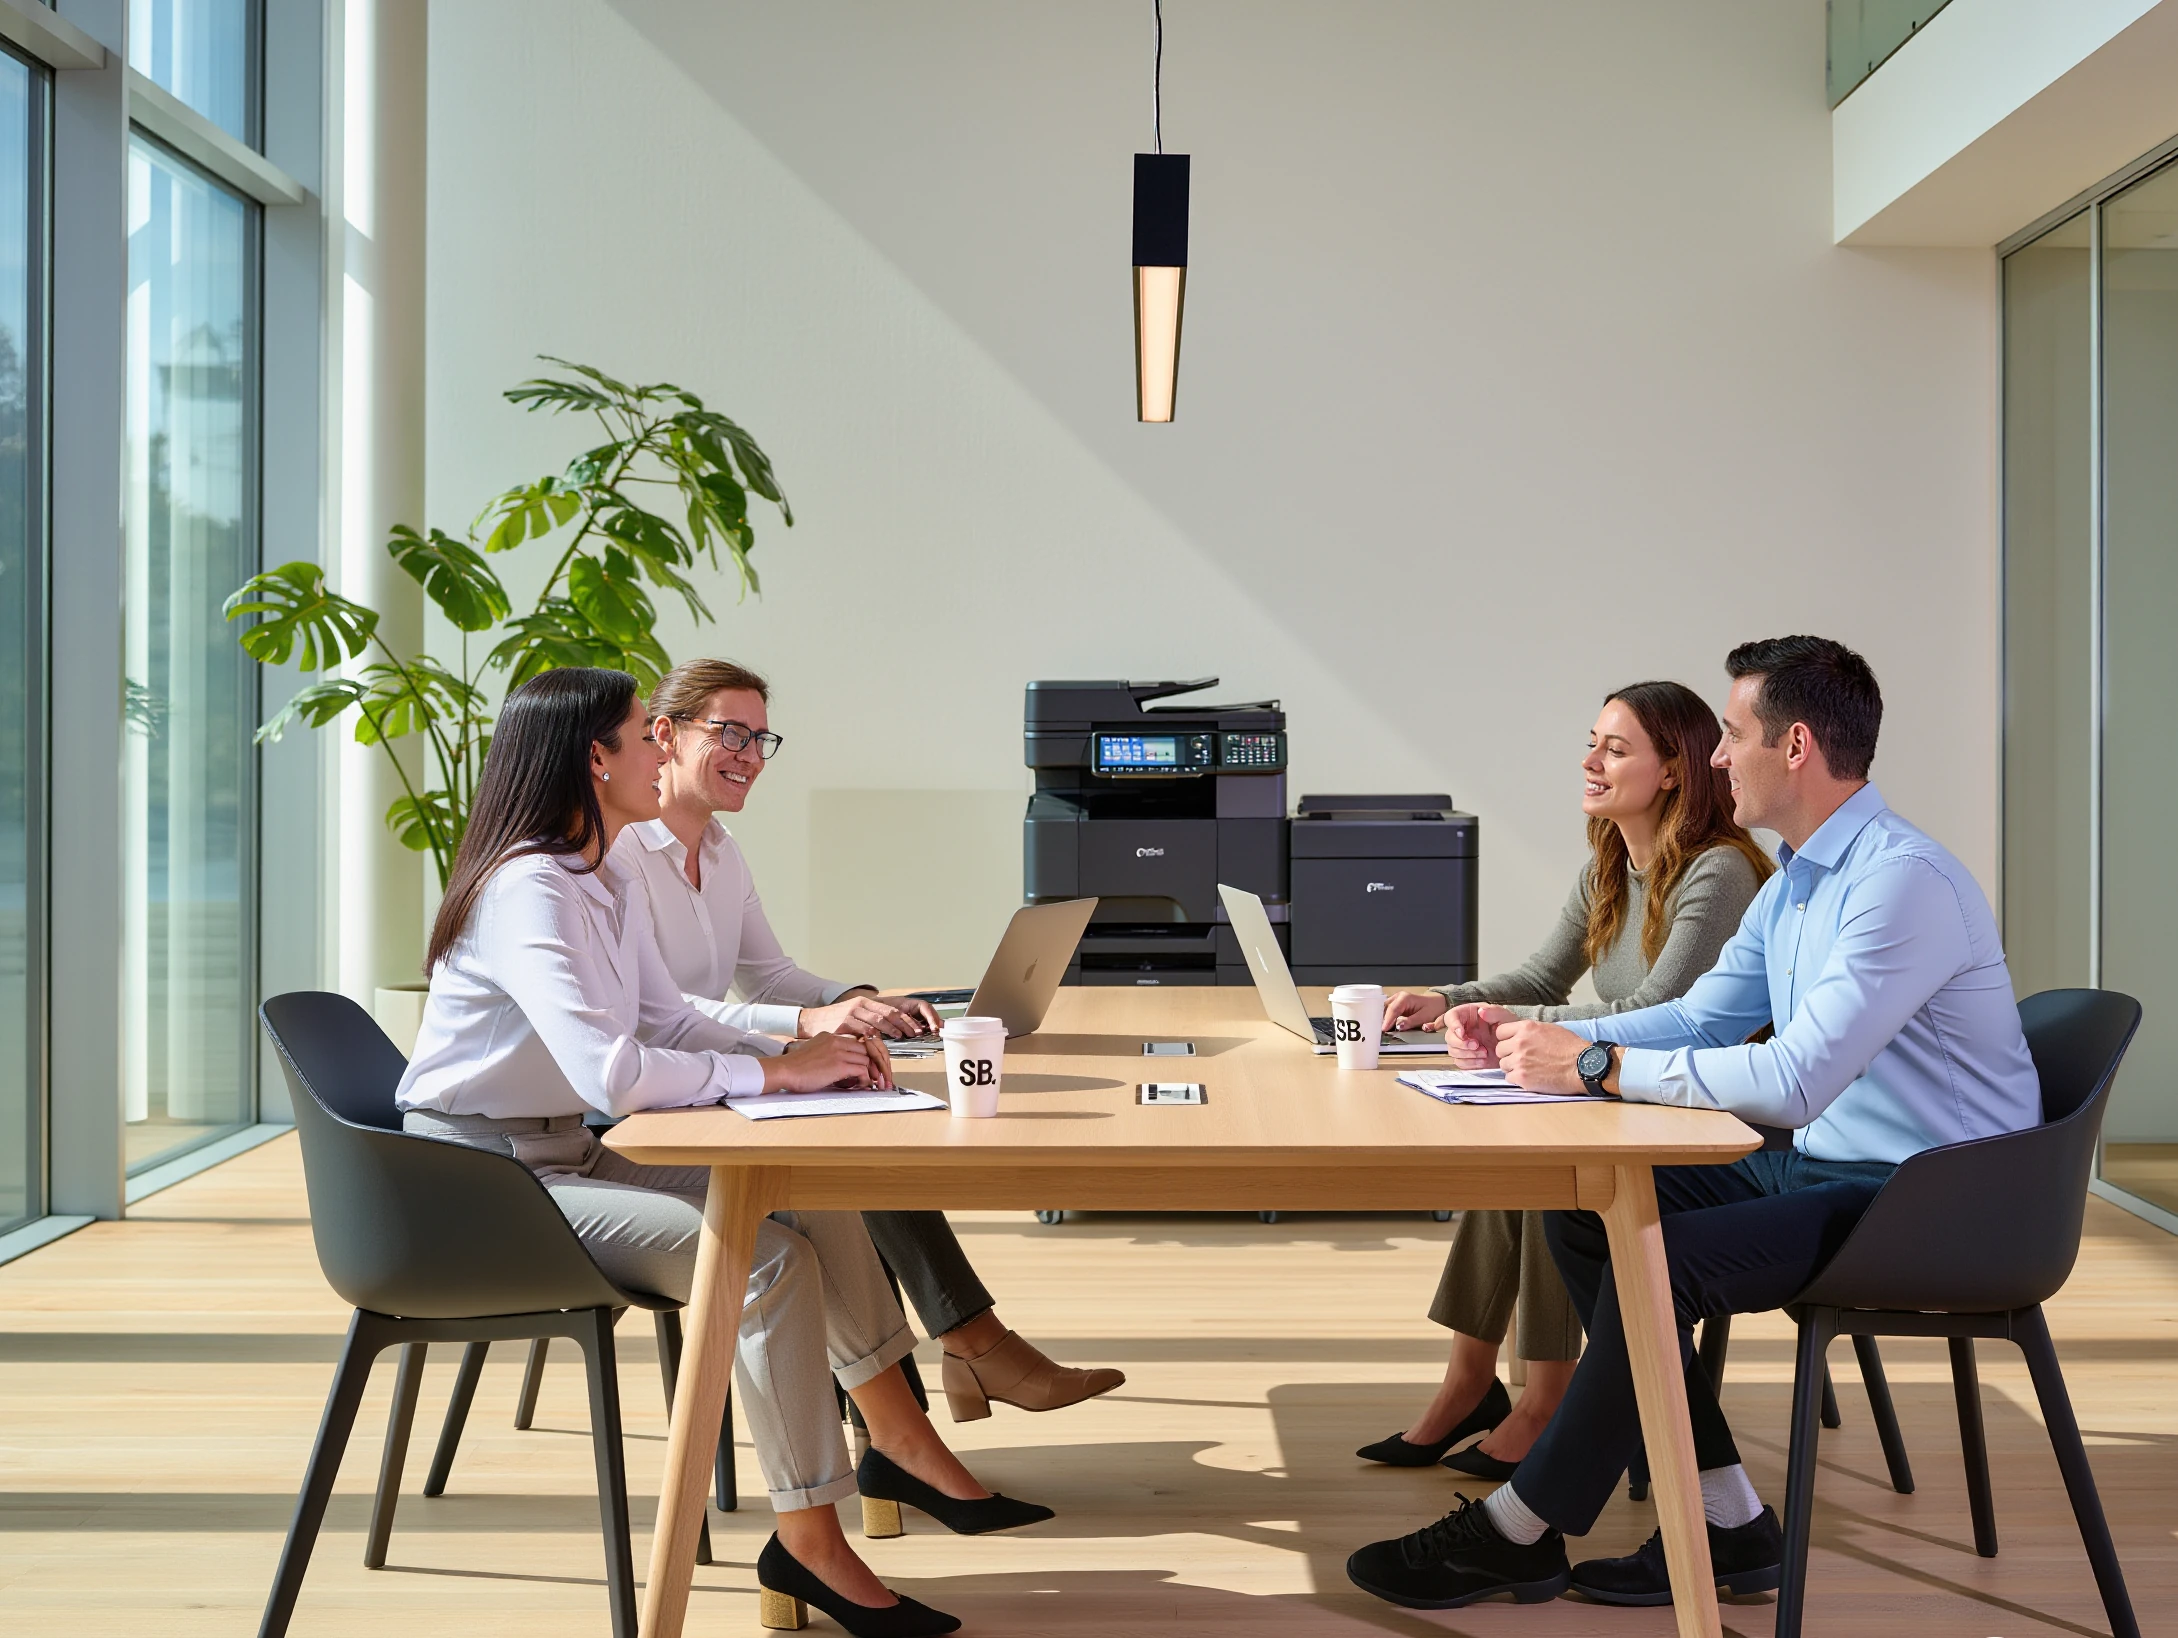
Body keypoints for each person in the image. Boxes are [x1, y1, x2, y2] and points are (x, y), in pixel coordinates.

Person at [1347, 636, 2041, 1611]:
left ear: (1794, 746)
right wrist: (1523, 1026)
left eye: (1733, 734)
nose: (1717, 758)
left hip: (1926, 1204)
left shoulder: (1900, 883)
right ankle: (1731, 1524)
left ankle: (1521, 1527)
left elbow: (1795, 1080)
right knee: (1585, 1215)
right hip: (1826, 1169)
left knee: (1654, 1260)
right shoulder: (1799, 876)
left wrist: (1592, 1065)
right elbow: (1700, 1015)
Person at [398, 667, 1050, 1638]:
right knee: (767, 1264)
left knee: (810, 1192)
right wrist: (778, 1077)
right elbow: (612, 1074)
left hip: (568, 1154)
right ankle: (811, 1539)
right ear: (596, 758)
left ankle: (891, 1444)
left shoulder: (603, 871)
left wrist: (808, 1058)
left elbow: (666, 1015)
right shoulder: (529, 888)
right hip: (483, 1184)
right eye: (645, 735)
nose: (662, 748)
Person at [611, 658, 1127, 1421]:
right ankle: (963, 1363)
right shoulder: (619, 854)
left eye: (761, 738)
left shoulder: (720, 852)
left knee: (868, 1103)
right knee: (846, 1154)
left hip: (710, 1071)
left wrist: (853, 1001)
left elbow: (769, 972)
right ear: (666, 733)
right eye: (730, 733)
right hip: (650, 1099)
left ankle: (943, 1385)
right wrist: (803, 1028)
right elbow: (655, 1007)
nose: (750, 755)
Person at [1356, 682, 1769, 1479]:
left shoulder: (1718, 872)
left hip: (1701, 1114)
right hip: (1626, 1092)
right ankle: (1471, 1383)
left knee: (1553, 1171)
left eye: (1616, 750)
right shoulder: (1611, 864)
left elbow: (1657, 1009)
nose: (1590, 761)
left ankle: (1546, 1401)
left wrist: (1521, 1026)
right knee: (1508, 1155)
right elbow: (1543, 973)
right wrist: (1448, 1000)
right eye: (1594, 743)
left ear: (1675, 770)